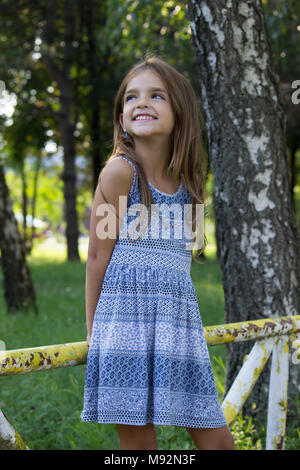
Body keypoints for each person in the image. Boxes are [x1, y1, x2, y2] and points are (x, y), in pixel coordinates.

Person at [80, 53, 234, 451]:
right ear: (121, 116)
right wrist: (94, 333)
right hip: (124, 331)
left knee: (217, 440)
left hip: (178, 330)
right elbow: (97, 258)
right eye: (131, 97)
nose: (141, 103)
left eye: (156, 95)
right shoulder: (120, 173)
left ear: (180, 112)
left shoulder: (189, 183)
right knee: (140, 446)